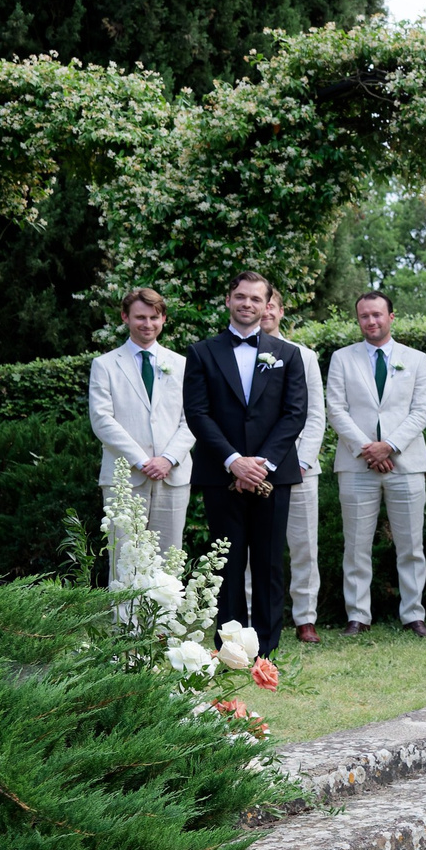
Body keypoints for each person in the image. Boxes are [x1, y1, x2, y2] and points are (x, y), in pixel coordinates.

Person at [182, 270, 309, 657]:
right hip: (222, 475)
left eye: (256, 299)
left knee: (270, 565)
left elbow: (294, 414)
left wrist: (261, 465)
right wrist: (235, 462)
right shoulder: (202, 352)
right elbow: (198, 413)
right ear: (228, 299)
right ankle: (231, 651)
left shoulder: (288, 354)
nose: (247, 304)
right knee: (227, 566)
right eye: (240, 296)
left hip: (273, 476)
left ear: (267, 305)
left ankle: (266, 652)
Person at [327, 291, 426, 637]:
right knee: (356, 544)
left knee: (411, 545)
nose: (370, 321)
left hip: (406, 463)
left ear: (392, 317)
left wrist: (388, 446)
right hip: (357, 464)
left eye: (377, 315)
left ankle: (413, 615)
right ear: (358, 320)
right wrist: (367, 449)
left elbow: (421, 411)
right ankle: (358, 615)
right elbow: (336, 409)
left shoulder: (416, 359)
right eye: (364, 316)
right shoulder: (342, 359)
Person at [87, 286, 193, 586]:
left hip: (172, 476)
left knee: (169, 556)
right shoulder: (105, 365)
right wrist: (143, 460)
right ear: (125, 317)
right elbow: (102, 420)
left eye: (154, 317)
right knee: (124, 556)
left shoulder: (182, 364)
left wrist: (168, 459)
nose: (147, 324)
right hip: (124, 477)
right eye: (140, 317)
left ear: (163, 319)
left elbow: (193, 419)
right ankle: (124, 628)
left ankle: (163, 629)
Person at [259, 291, 327, 643]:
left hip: (299, 468)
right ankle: (251, 620)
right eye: (260, 303)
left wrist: (301, 461)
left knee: (303, 546)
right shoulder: (239, 355)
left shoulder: (304, 355)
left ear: (281, 311)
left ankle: (305, 618)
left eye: (272, 305)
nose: (265, 310)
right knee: (251, 548)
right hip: (252, 471)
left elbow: (315, 414)